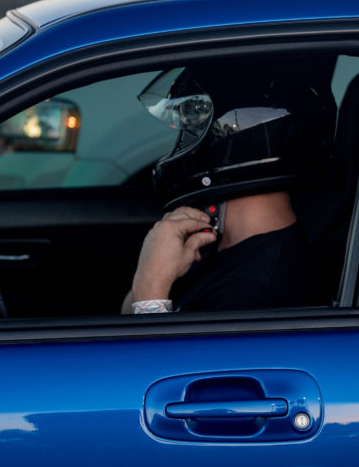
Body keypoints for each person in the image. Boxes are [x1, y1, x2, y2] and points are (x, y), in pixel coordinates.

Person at [120, 58, 336, 314]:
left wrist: (151, 286)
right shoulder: (218, 247)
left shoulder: (252, 293)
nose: (184, 140)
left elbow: (161, 355)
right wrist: (150, 280)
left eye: (193, 126)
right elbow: (129, 312)